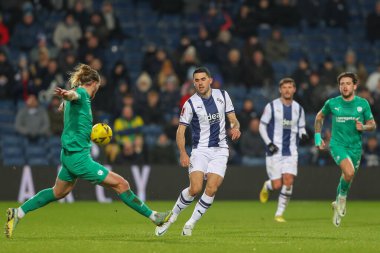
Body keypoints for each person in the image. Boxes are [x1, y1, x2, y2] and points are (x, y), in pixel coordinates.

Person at [5, 64, 171, 239]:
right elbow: (75, 94)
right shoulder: (82, 93)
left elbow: (71, 97)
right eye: (96, 87)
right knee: (122, 184)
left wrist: (65, 100)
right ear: (92, 83)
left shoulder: (75, 96)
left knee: (58, 192)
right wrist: (67, 96)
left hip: (68, 155)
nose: (96, 92)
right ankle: (155, 217)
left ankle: (18, 213)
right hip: (79, 158)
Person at [155, 67, 241, 236]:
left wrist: (235, 128)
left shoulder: (223, 96)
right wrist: (183, 152)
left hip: (220, 150)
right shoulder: (190, 103)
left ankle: (191, 223)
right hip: (200, 150)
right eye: (197, 80)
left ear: (210, 80)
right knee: (195, 188)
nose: (200, 83)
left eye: (203, 79)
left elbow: (233, 120)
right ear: (193, 83)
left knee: (212, 188)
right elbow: (180, 131)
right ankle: (171, 218)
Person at [314, 72, 376, 227]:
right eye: (342, 84)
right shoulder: (332, 103)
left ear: (354, 86)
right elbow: (319, 117)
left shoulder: (363, 104)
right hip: (337, 145)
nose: (345, 86)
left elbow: (373, 124)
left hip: (355, 147)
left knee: (347, 177)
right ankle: (342, 199)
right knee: (349, 172)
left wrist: (364, 126)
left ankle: (337, 206)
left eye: (348, 83)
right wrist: (317, 137)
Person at [259, 77, 307, 222]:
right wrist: (269, 143)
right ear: (280, 90)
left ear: (294, 90)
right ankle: (268, 185)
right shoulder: (271, 106)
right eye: (284, 87)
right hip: (274, 150)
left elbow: (301, 126)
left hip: (291, 151)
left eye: (290, 87)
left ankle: (279, 214)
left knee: (288, 180)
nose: (287, 90)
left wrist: (303, 134)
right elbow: (262, 126)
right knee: (277, 184)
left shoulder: (299, 108)